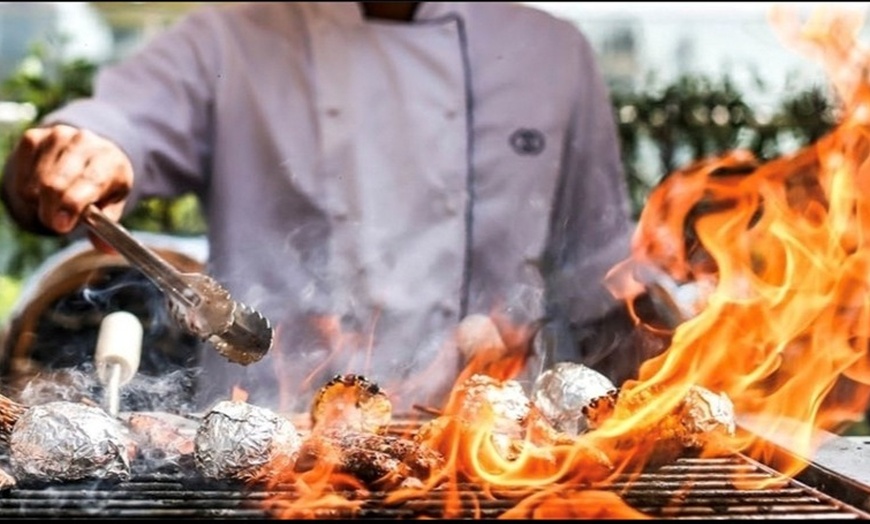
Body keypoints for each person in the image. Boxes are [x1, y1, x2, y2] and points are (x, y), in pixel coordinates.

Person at [1, 2, 640, 414]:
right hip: (267, 445)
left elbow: (601, 277)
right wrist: (83, 152)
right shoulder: (227, 39)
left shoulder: (553, 54)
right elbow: (121, 120)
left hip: (477, 455)